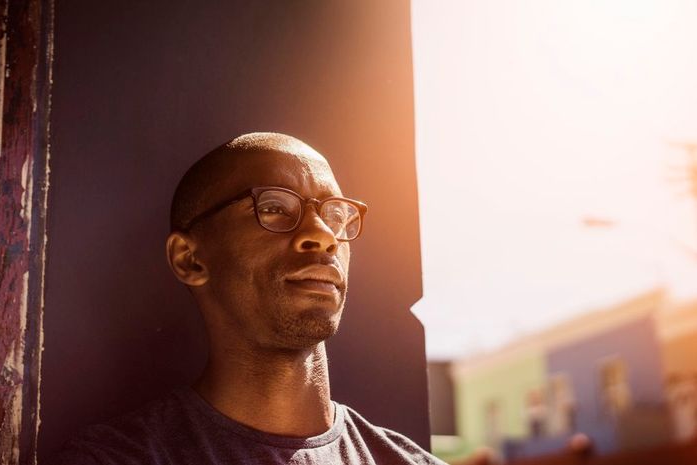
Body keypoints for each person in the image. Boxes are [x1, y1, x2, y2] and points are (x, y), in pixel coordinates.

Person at [53, 132, 446, 465]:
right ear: (189, 259)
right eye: (274, 207)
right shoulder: (119, 457)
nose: (324, 234)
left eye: (337, 217)